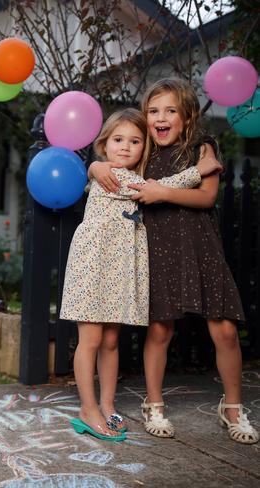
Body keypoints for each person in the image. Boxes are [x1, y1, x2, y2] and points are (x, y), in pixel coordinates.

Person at [90, 78, 259, 444]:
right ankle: (154, 403)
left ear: (187, 116)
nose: (160, 117)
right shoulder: (144, 150)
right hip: (159, 248)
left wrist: (162, 191)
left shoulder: (203, 149)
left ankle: (232, 407)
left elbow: (207, 198)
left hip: (202, 248)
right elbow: (114, 161)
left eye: (170, 111)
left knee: (226, 330)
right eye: (153, 111)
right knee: (160, 330)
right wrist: (94, 168)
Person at [62, 108, 221, 442]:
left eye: (135, 141)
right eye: (118, 140)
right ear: (104, 144)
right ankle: (87, 409)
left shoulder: (121, 172)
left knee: (110, 340)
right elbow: (161, 187)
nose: (125, 147)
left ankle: (107, 404)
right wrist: (200, 170)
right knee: (90, 339)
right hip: (94, 265)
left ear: (144, 148)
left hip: (118, 268)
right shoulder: (112, 176)